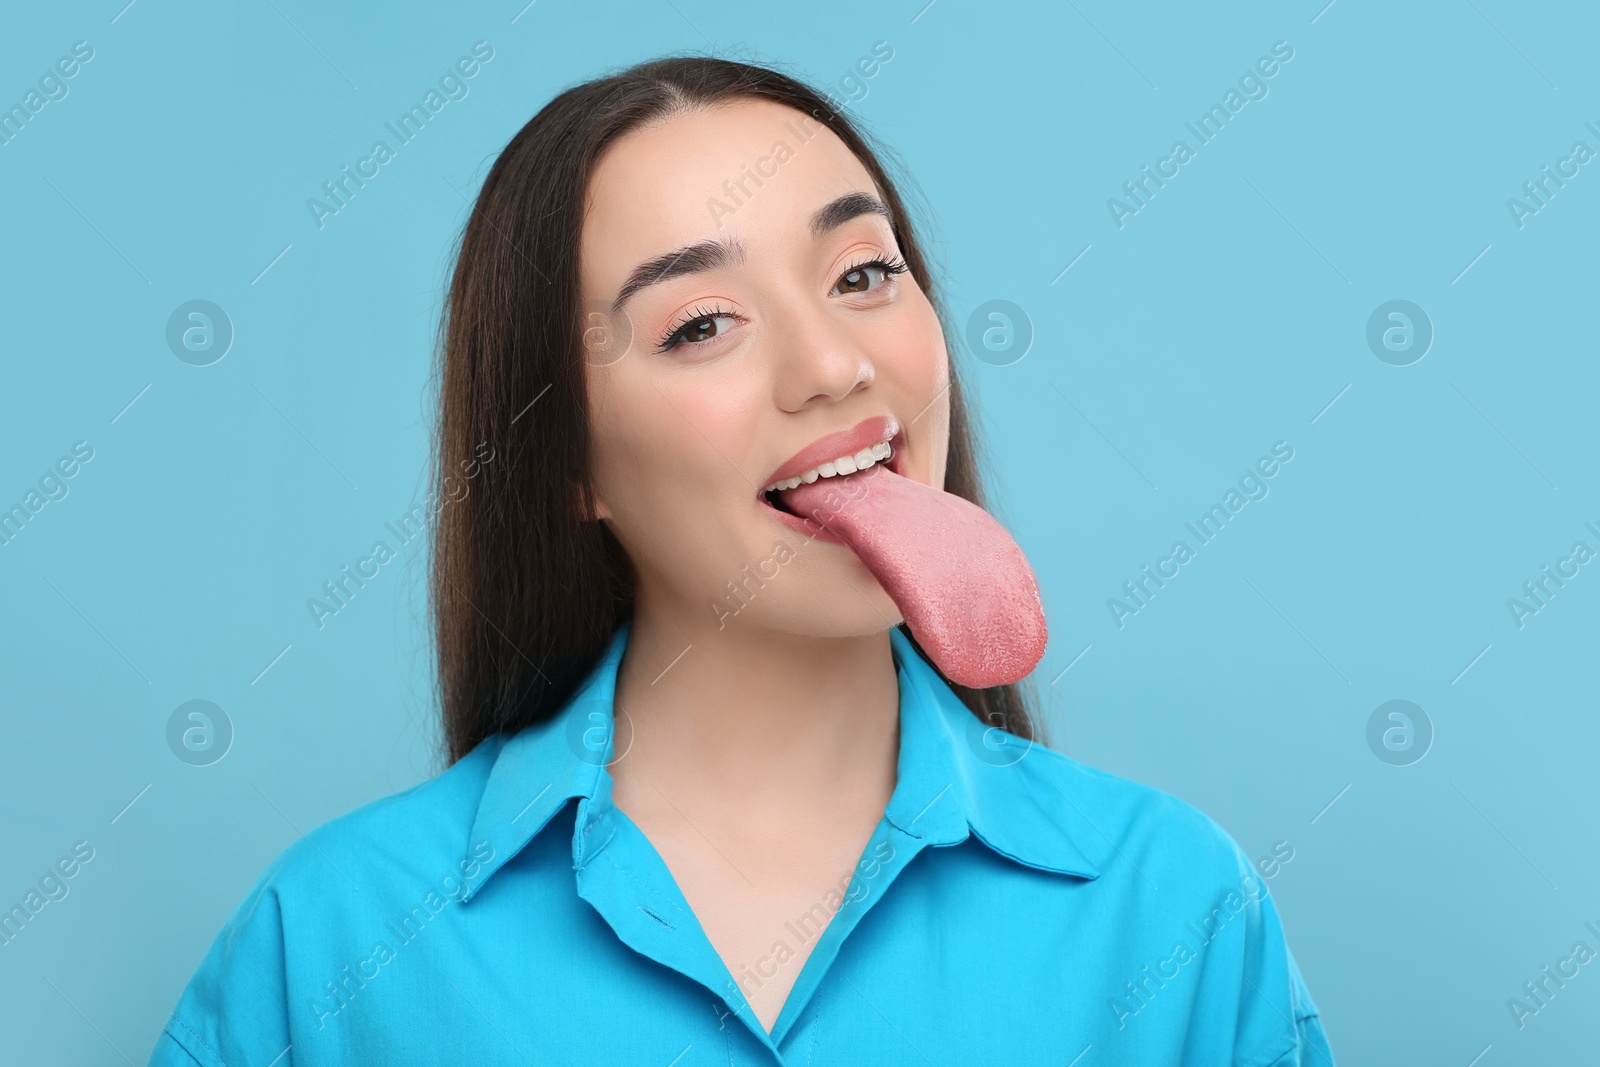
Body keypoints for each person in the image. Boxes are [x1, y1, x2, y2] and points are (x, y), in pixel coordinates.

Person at [149, 54, 1335, 1065]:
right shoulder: (333, 943)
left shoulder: (1173, 907)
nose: (830, 362)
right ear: (570, 462)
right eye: (700, 323)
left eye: (863, 273)